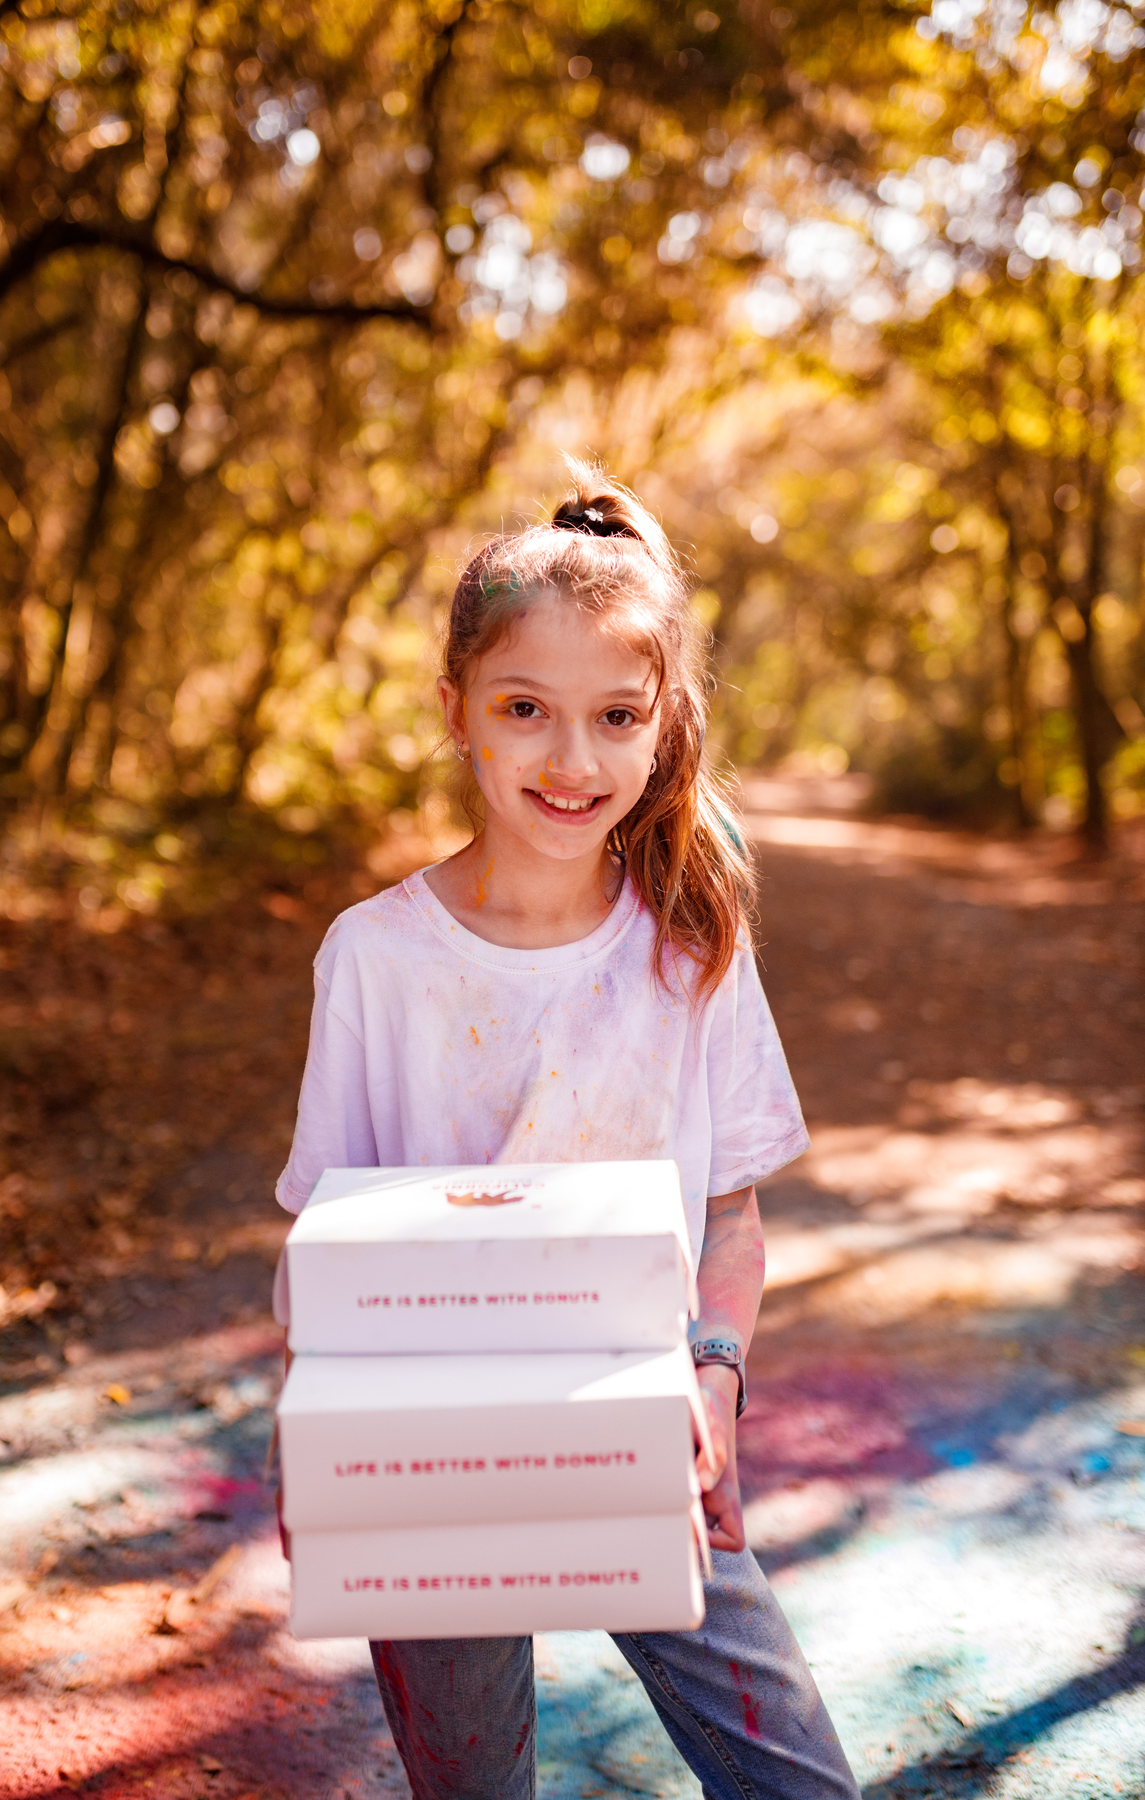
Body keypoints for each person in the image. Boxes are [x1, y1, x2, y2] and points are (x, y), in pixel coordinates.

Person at [275, 464, 861, 1800]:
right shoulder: (373, 958)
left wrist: (713, 1377)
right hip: (426, 1456)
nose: (571, 758)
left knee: (803, 1785)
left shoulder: (694, 949)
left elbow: (732, 1219)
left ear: (664, 732)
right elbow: (327, 1234)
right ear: (458, 715)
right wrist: (305, 1428)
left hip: (645, 1434)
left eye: (614, 717)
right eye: (525, 710)